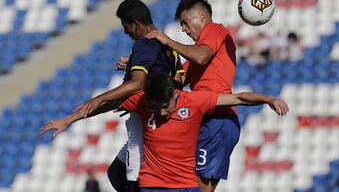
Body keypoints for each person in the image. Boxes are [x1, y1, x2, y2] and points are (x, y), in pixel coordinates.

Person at [41, 74, 289, 192]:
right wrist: (68, 119)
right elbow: (105, 105)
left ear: (174, 95)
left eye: (166, 108)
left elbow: (238, 97)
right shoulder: (142, 101)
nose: (161, 114)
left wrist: (269, 99)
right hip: (153, 186)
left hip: (187, 186)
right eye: (155, 109)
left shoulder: (194, 101)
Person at [72, 0, 184, 192]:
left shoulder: (143, 44)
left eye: (126, 26)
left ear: (136, 24)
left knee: (131, 174)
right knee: (118, 172)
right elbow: (178, 80)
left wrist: (99, 98)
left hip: (146, 118)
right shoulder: (168, 46)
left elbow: (138, 82)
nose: (125, 32)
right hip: (163, 115)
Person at [145, 0, 246, 192]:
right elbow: (176, 82)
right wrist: (138, 67)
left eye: (184, 22)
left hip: (218, 119)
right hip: (205, 120)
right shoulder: (196, 54)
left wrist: (167, 40)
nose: (183, 28)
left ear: (201, 16)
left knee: (198, 188)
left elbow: (201, 56)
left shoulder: (215, 31)